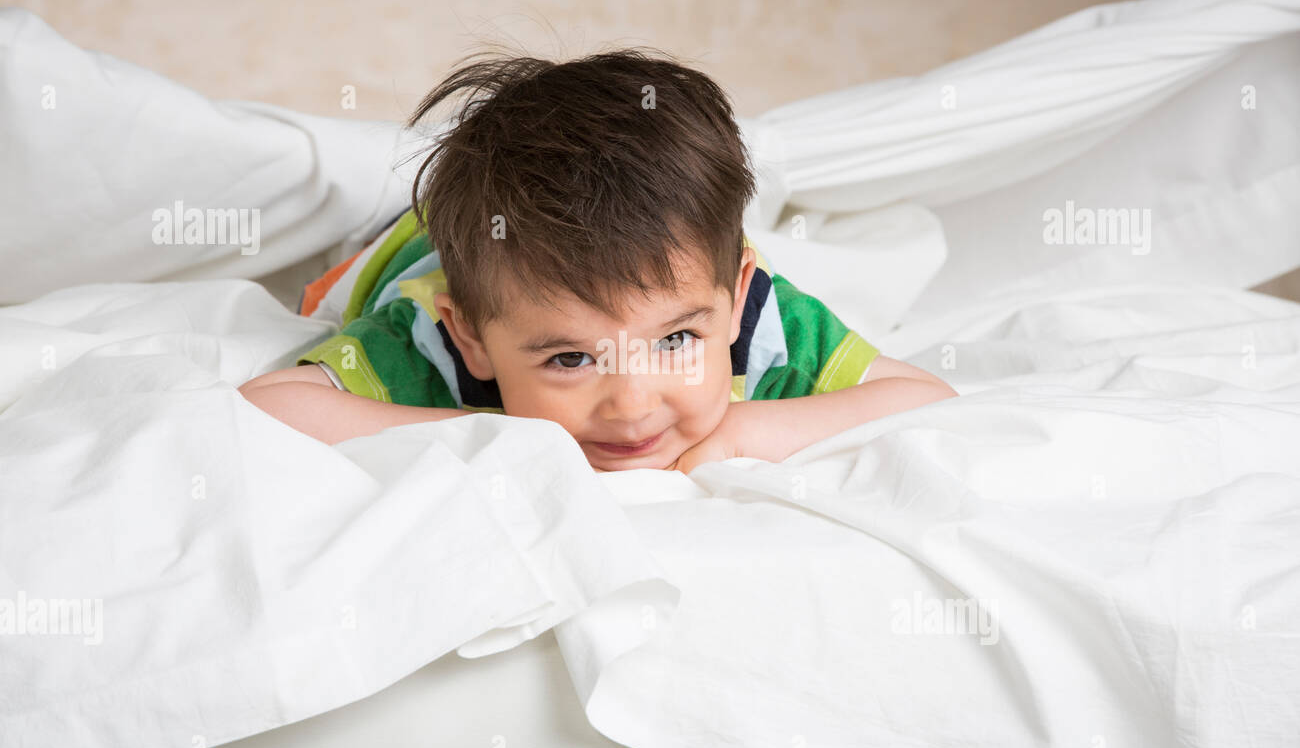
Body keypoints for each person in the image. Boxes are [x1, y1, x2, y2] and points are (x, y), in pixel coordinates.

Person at [240, 49, 957, 473]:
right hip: (406, 246)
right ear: (472, 340)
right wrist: (490, 437)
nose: (633, 405)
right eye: (571, 360)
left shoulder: (760, 321)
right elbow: (269, 408)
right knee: (338, 281)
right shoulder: (429, 340)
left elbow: (926, 399)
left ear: (736, 299)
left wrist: (743, 432)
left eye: (675, 342)